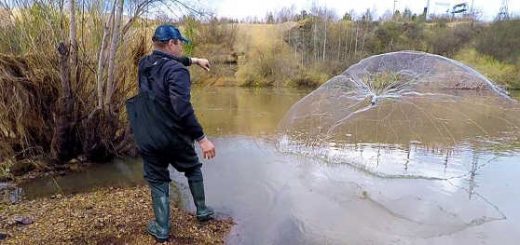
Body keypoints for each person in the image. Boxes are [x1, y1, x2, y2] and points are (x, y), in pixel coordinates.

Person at [126, 24, 216, 242]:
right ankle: (202, 211)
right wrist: (202, 139)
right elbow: (182, 109)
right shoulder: (177, 72)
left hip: (148, 135)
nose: (182, 49)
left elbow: (168, 60)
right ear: (171, 43)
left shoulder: (144, 64)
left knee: (158, 180)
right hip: (174, 136)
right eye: (180, 44)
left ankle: (161, 228)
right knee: (193, 168)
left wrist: (195, 60)